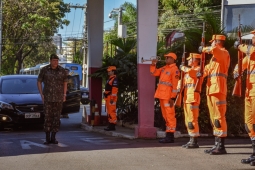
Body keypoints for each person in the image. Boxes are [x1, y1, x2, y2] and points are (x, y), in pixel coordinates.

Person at [198, 34, 230, 155]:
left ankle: (221, 146)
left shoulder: (223, 53)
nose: (211, 43)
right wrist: (200, 74)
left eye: (212, 42)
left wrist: (203, 48)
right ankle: (216, 144)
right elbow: (206, 70)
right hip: (211, 89)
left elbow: (213, 49)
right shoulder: (214, 59)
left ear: (217, 42)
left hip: (218, 89)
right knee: (213, 118)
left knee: (219, 117)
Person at [233, 30, 255, 166]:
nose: (253, 38)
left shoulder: (251, 50)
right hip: (249, 92)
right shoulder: (250, 55)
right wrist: (236, 72)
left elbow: (248, 50)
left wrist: (239, 45)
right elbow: (241, 64)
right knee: (249, 124)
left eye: (254, 37)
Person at [37, 54, 68, 144]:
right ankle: (47, 138)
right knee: (47, 117)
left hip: (58, 98)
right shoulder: (45, 70)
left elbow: (65, 83)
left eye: (57, 60)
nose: (55, 62)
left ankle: (53, 137)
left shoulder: (62, 71)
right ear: (50, 61)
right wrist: (41, 94)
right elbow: (39, 81)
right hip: (48, 98)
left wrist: (64, 94)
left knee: (56, 117)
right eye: (54, 60)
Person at [150, 52, 179, 143]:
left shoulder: (175, 69)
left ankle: (170, 136)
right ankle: (168, 135)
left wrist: (172, 98)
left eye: (167, 58)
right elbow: (154, 73)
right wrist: (153, 64)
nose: (166, 59)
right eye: (166, 57)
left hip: (168, 96)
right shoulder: (164, 68)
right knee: (165, 116)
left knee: (170, 115)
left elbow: (175, 85)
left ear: (172, 59)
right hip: (162, 95)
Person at [179, 53, 201, 148]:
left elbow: (193, 73)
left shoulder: (198, 69)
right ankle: (191, 139)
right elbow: (183, 83)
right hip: (187, 98)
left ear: (195, 60)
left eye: (190, 59)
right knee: (188, 120)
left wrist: (183, 68)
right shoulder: (188, 72)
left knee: (192, 119)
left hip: (193, 98)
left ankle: (194, 140)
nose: (188, 61)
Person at [103, 66, 118, 131]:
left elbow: (114, 90)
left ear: (113, 71)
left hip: (111, 98)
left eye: (110, 71)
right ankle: (110, 124)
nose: (108, 72)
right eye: (108, 71)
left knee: (112, 111)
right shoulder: (110, 79)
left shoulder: (114, 79)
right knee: (109, 112)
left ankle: (112, 125)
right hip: (108, 97)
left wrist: (112, 98)